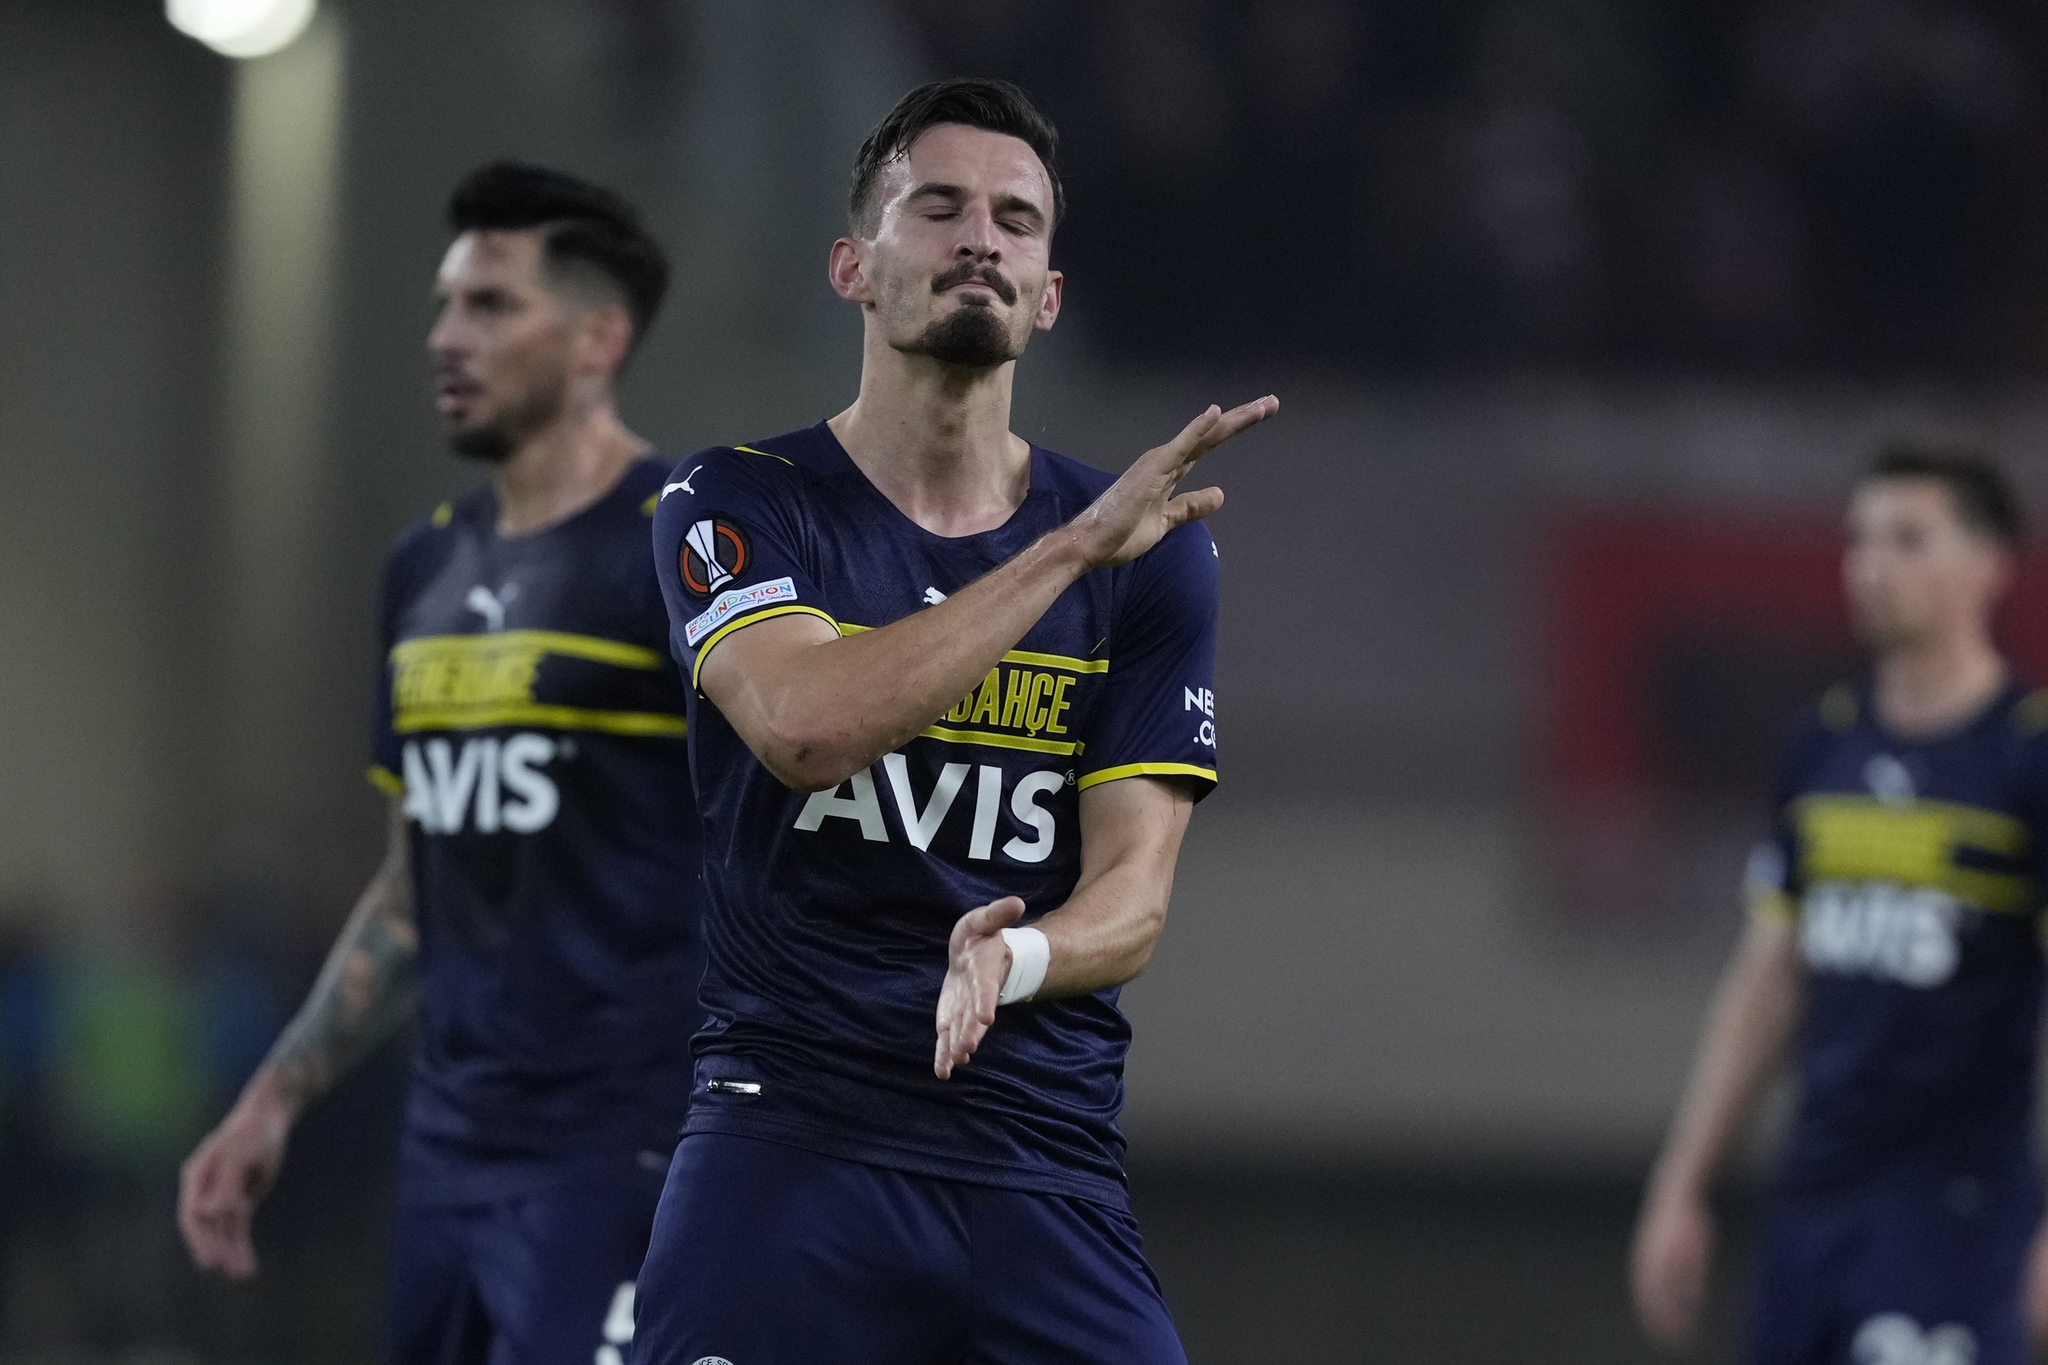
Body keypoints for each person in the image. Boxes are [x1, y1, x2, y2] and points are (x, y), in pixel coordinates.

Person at [631, 78, 1275, 1364]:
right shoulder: (735, 502)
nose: (980, 237)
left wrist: (1016, 957)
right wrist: (1063, 555)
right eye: (937, 208)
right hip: (787, 1140)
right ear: (852, 269)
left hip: (1039, 1161)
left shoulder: (1150, 554)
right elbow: (805, 729)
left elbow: (1132, 901)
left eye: (1014, 220)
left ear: (1046, 296)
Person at [177, 163, 704, 1365]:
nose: (445, 338)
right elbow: (412, 888)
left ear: (597, 340)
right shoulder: (421, 568)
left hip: (625, 1151)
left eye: (489, 305)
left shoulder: (682, 543)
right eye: (442, 306)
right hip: (446, 1159)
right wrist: (273, 1096)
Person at [1632, 444, 2048, 1365]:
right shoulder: (1822, 744)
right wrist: (1682, 1178)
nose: (1871, 564)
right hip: (1815, 1202)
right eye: (1861, 538)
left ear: (1988, 564)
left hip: (1956, 1212)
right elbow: (1770, 975)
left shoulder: (2027, 756)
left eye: (1907, 539)